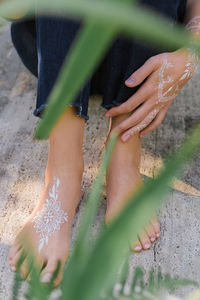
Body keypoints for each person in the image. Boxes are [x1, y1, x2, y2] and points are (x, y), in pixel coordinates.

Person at [6, 0, 200, 287]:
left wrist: (191, 52)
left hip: (146, 52)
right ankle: (63, 173)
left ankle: (124, 156)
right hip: (53, 43)